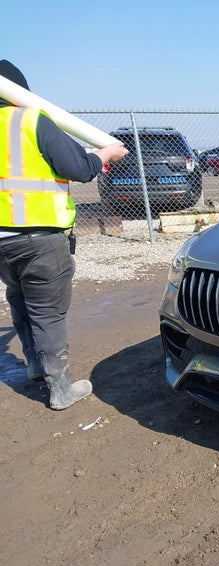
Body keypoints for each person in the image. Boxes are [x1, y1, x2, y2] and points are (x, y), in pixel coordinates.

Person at [0, 60, 129, 410]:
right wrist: (106, 154)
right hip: (39, 237)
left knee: (19, 299)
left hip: (2, 242)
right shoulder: (30, 119)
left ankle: (34, 368)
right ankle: (60, 389)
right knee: (47, 312)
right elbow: (77, 167)